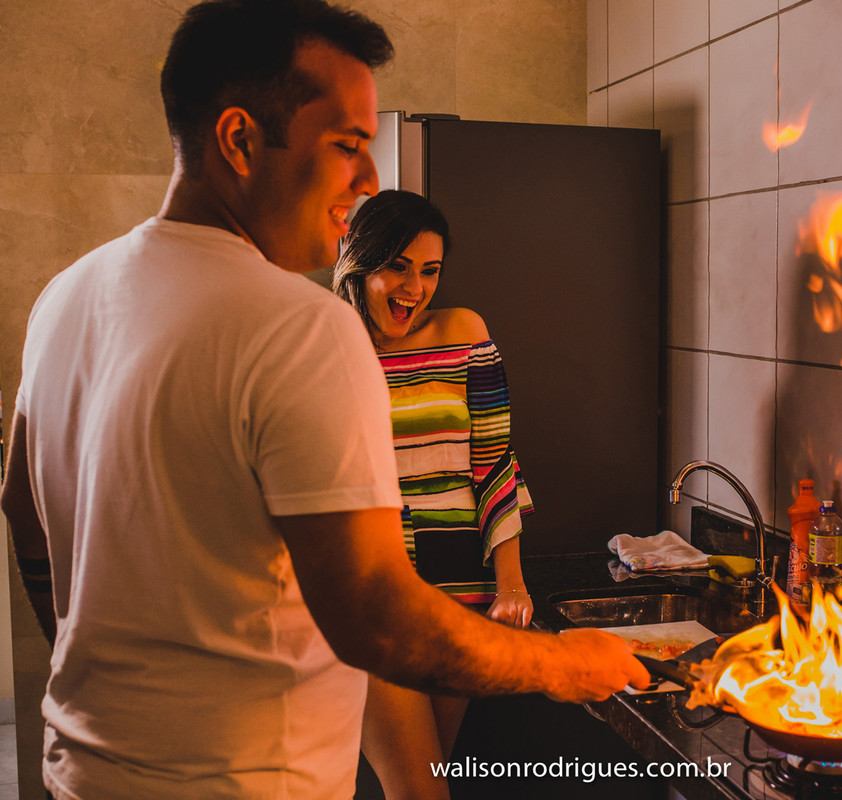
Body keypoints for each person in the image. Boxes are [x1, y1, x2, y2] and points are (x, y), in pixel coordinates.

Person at [0, 1, 649, 798]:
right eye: (347, 145)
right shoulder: (300, 325)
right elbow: (376, 616)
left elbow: (24, 512)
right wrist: (562, 664)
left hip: (82, 771)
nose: (369, 179)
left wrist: (89, 666)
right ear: (239, 140)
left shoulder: (64, 296)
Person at [333, 190, 532, 798]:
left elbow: (495, 461)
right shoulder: (328, 345)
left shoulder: (465, 332)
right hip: (376, 601)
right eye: (398, 267)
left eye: (430, 270)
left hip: (460, 599)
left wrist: (511, 584)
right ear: (360, 261)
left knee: (427, 780)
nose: (414, 288)